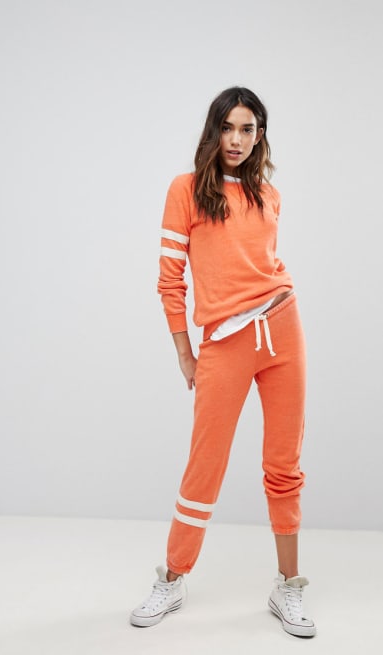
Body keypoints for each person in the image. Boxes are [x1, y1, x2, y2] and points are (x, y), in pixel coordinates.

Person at [129, 87, 316, 638]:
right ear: (213, 131)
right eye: (228, 128)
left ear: (259, 136)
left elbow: (263, 264)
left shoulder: (268, 195)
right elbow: (169, 280)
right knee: (205, 464)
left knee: (284, 464)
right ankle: (173, 577)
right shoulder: (185, 190)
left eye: (247, 129)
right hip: (224, 343)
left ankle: (288, 585)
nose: (236, 139)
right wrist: (185, 352)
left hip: (282, 329)